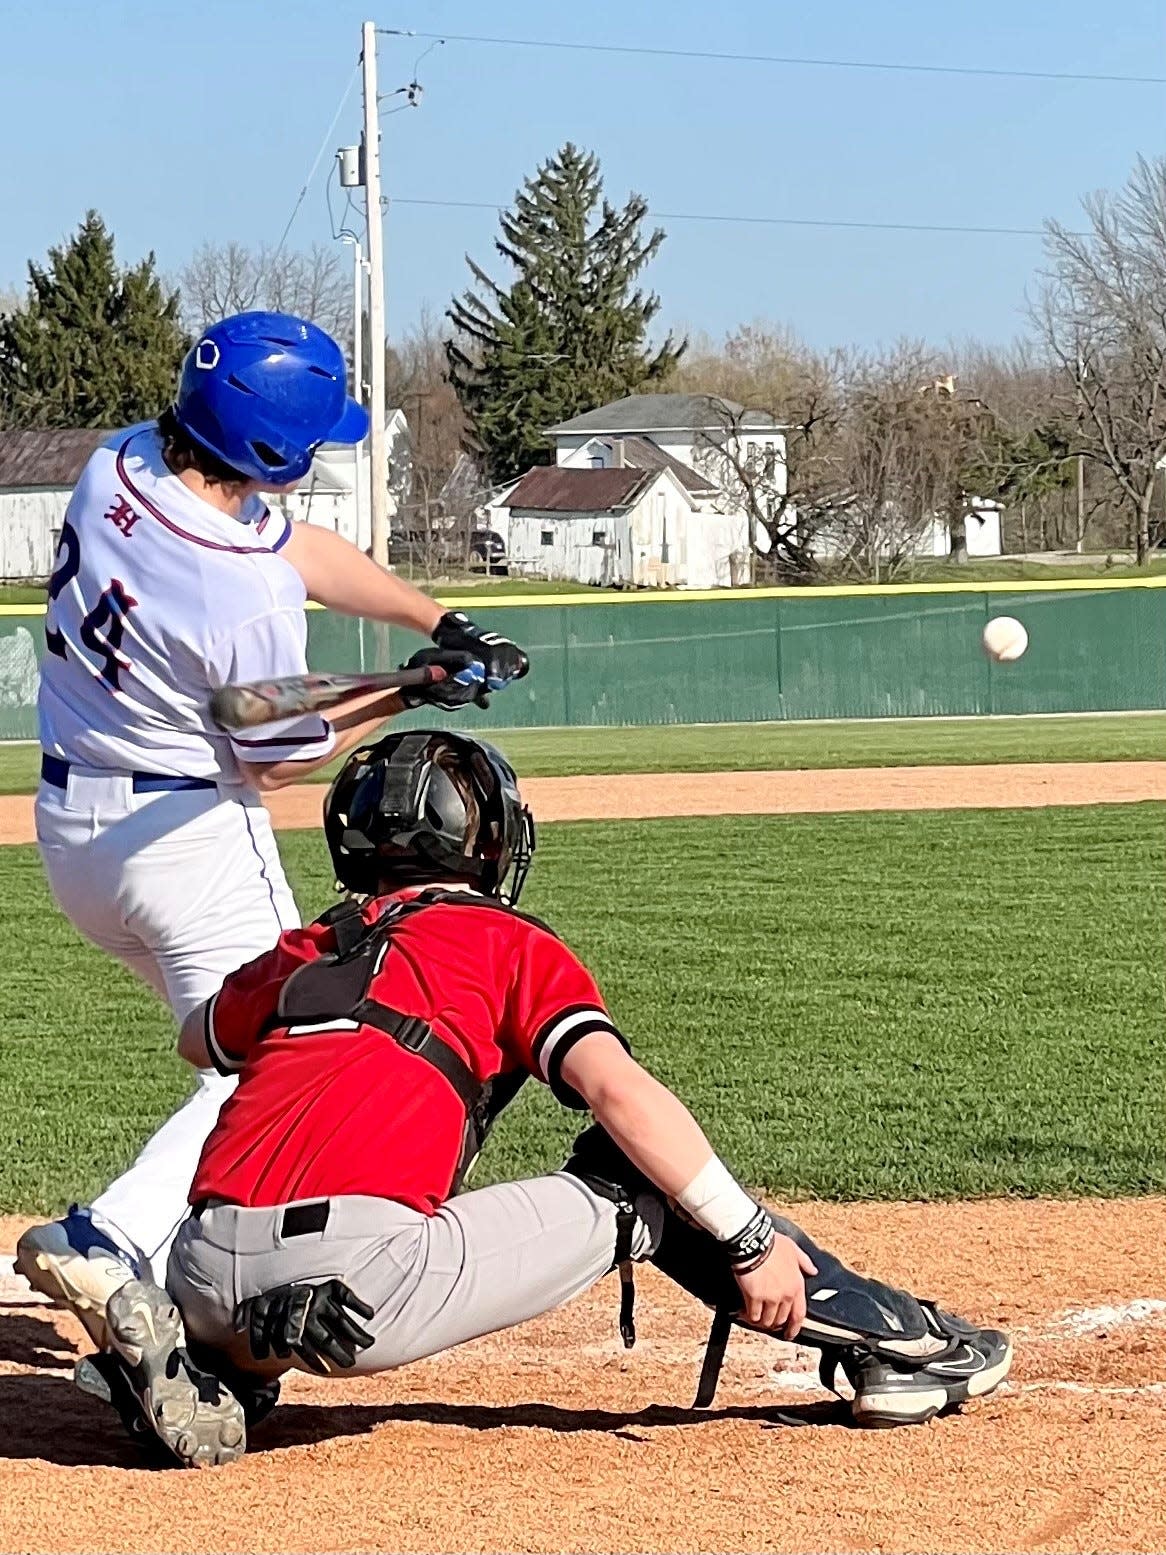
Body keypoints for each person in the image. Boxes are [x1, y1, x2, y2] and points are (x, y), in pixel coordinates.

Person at [80, 729, 1011, 1466]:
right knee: (635, 1175)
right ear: (484, 842)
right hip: (358, 1282)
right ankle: (898, 1345)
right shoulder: (506, 942)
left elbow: (199, 1037)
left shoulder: (306, 947)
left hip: (198, 1264)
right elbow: (619, 1092)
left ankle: (222, 1364)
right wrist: (749, 1240)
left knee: (261, 1270)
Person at [16, 312, 528, 1345]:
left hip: (74, 827)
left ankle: (155, 1257)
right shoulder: (235, 588)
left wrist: (433, 625)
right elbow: (279, 755)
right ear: (273, 451)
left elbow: (296, 548)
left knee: (235, 1062)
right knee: (288, 1047)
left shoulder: (117, 461)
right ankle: (111, 1236)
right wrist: (408, 693)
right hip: (184, 835)